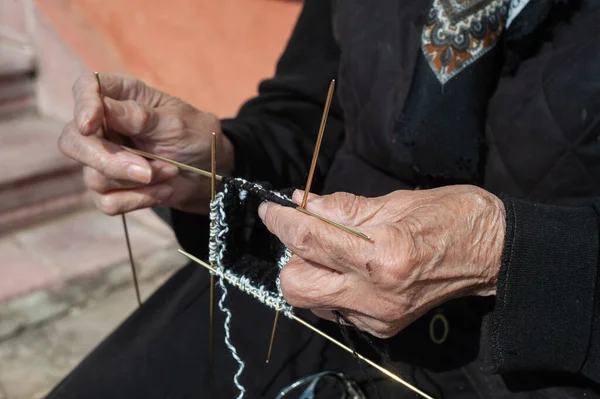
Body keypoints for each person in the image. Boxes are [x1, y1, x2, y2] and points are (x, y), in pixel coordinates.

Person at [50, 0, 600, 398]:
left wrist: (502, 254)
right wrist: (225, 158)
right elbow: (313, 109)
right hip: (297, 297)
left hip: (535, 369)